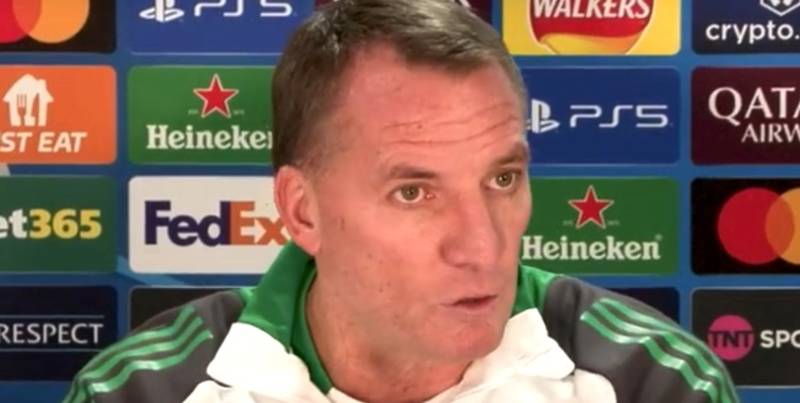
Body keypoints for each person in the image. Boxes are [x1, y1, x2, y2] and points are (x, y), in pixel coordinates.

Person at [64, 0, 738, 402]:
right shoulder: (141, 392)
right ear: (302, 211)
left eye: (502, 179)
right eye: (413, 192)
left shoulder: (655, 383)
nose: (482, 245)